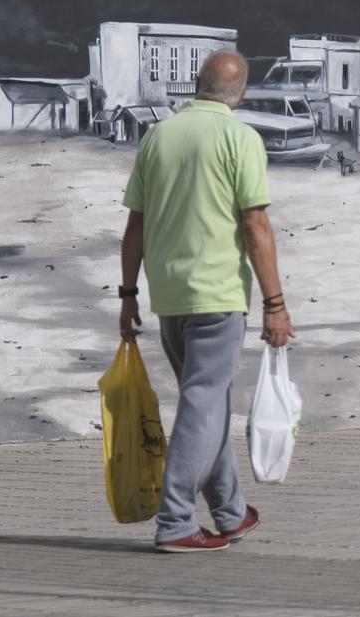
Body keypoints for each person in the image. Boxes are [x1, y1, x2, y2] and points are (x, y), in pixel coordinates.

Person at [117, 49, 295, 554]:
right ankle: (174, 521)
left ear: (198, 84)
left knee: (207, 402)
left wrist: (128, 294)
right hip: (217, 297)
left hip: (168, 297)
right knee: (201, 405)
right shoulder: (240, 137)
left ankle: (231, 511)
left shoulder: (159, 136)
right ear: (239, 93)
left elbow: (135, 226)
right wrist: (275, 304)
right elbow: (255, 225)